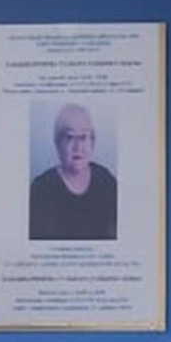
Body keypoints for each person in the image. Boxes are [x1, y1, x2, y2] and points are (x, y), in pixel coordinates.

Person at [29, 103, 118, 241]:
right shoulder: (40, 189)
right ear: (58, 143)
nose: (78, 147)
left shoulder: (106, 180)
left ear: (92, 142)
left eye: (83, 137)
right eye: (70, 137)